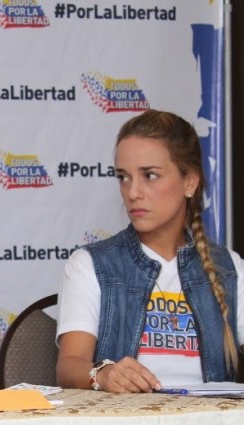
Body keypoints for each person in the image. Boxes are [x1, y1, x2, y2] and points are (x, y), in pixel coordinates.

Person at [56, 109, 244, 393]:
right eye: (124, 177)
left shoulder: (229, 267)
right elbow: (69, 366)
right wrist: (103, 375)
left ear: (189, 182)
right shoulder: (91, 264)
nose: (133, 192)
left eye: (150, 175)